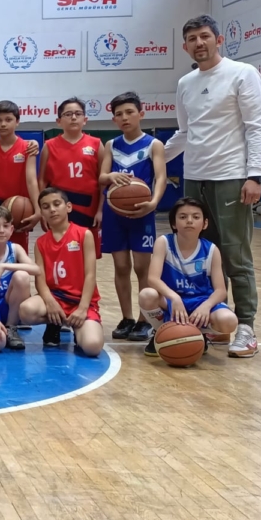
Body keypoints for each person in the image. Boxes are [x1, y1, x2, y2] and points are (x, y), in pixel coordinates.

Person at [163, 14, 261, 358]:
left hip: (232, 177)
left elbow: (256, 126)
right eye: (192, 39)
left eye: (205, 36)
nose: (199, 43)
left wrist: (255, 175)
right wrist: (150, 159)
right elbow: (184, 133)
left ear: (219, 40)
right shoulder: (185, 83)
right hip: (195, 179)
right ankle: (214, 323)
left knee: (236, 255)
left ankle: (246, 326)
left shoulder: (242, 73)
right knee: (203, 257)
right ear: (185, 47)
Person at [99, 92, 166, 343]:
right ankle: (127, 317)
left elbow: (161, 177)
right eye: (119, 114)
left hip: (141, 212)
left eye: (129, 112)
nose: (124, 117)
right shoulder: (111, 145)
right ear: (114, 119)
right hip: (114, 213)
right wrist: (110, 177)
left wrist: (153, 203)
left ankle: (144, 319)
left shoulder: (153, 144)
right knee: (121, 266)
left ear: (141, 114)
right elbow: (101, 177)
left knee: (142, 267)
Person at [138, 198, 240, 357]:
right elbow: (153, 279)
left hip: (200, 301)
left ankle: (199, 334)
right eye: (183, 217)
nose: (189, 221)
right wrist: (174, 297)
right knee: (147, 295)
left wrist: (206, 306)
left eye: (196, 217)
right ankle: (161, 332)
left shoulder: (211, 250)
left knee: (229, 321)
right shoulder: (164, 243)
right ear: (174, 223)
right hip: (171, 300)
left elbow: (220, 290)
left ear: (205, 224)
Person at [19, 188, 105, 357]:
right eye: (46, 207)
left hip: (80, 301)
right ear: (42, 213)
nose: (52, 209)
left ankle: (79, 327)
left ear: (68, 207)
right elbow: (40, 279)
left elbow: (90, 275)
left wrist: (82, 308)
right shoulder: (41, 242)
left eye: (56, 204)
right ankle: (55, 322)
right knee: (26, 310)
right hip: (56, 297)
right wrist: (50, 302)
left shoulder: (84, 234)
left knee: (92, 347)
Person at [40, 97, 104, 256]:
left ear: (85, 119)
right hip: (58, 209)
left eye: (78, 114)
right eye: (68, 114)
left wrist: (101, 210)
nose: (73, 117)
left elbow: (103, 181)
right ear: (59, 121)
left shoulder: (96, 144)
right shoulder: (49, 146)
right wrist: (42, 211)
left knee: (87, 256)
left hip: (88, 209)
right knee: (61, 254)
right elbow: (42, 181)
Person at [0, 206, 39, 351]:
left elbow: (36, 270)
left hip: (9, 304)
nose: (1, 230)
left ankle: (11, 327)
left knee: (22, 275)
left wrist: (4, 266)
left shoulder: (15, 249)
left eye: (5, 226)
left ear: (11, 229)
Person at [0, 100, 41, 250]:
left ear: (17, 121)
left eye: (8, 120)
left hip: (18, 207)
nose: (3, 124)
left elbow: (31, 180)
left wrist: (38, 209)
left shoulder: (27, 148)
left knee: (17, 251)